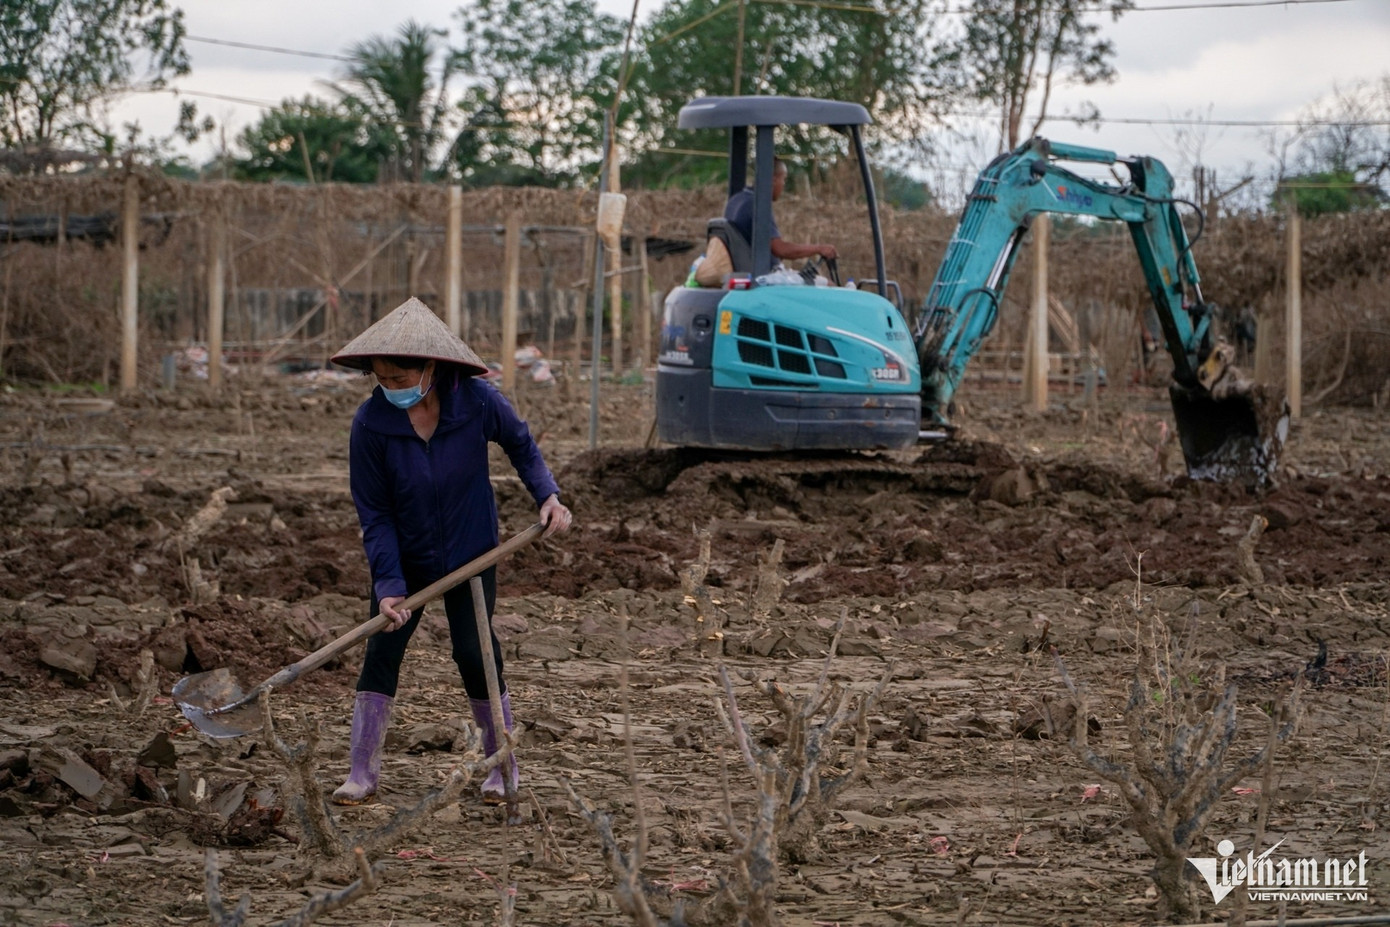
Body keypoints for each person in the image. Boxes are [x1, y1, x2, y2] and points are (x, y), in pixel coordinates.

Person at [328, 296, 572, 806]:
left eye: (399, 380)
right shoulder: (371, 426)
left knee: (475, 653)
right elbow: (374, 514)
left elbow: (522, 445)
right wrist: (391, 587)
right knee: (382, 651)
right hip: (407, 559)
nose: (390, 390)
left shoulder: (477, 402)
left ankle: (501, 766)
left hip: (471, 553)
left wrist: (547, 495)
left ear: (431, 368)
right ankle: (361, 771)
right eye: (381, 381)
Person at [724, 157, 838, 268]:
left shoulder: (737, 199)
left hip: (748, 269)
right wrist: (819, 249)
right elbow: (780, 250)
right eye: (783, 179)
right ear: (773, 180)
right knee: (828, 285)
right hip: (765, 277)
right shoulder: (757, 206)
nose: (783, 184)